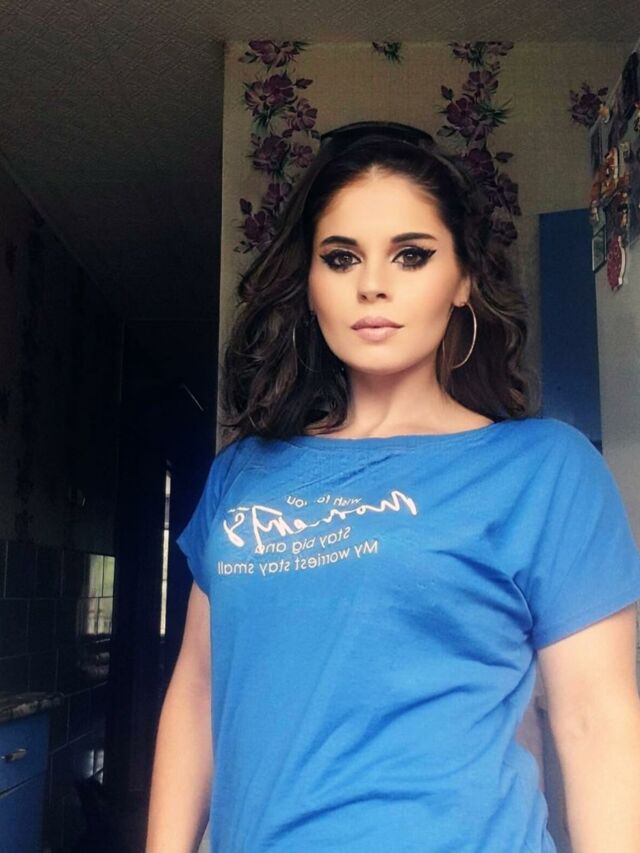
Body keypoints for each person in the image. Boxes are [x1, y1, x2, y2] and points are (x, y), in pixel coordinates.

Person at [146, 122, 640, 852]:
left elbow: (597, 724)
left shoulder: (544, 470)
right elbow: (197, 690)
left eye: (412, 254)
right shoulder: (242, 474)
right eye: (340, 257)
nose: (372, 283)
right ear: (309, 285)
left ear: (463, 279)